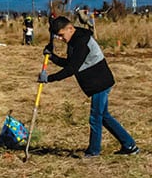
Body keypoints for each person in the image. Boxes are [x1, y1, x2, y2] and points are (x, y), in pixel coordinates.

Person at [39, 17, 139, 157]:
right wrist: (52, 57)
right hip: (96, 83)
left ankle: (93, 152)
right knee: (104, 117)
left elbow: (72, 69)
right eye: (58, 37)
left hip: (100, 83)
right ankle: (130, 145)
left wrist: (49, 78)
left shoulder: (81, 42)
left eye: (61, 35)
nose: (60, 39)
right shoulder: (74, 40)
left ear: (70, 28)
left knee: (95, 118)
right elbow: (70, 63)